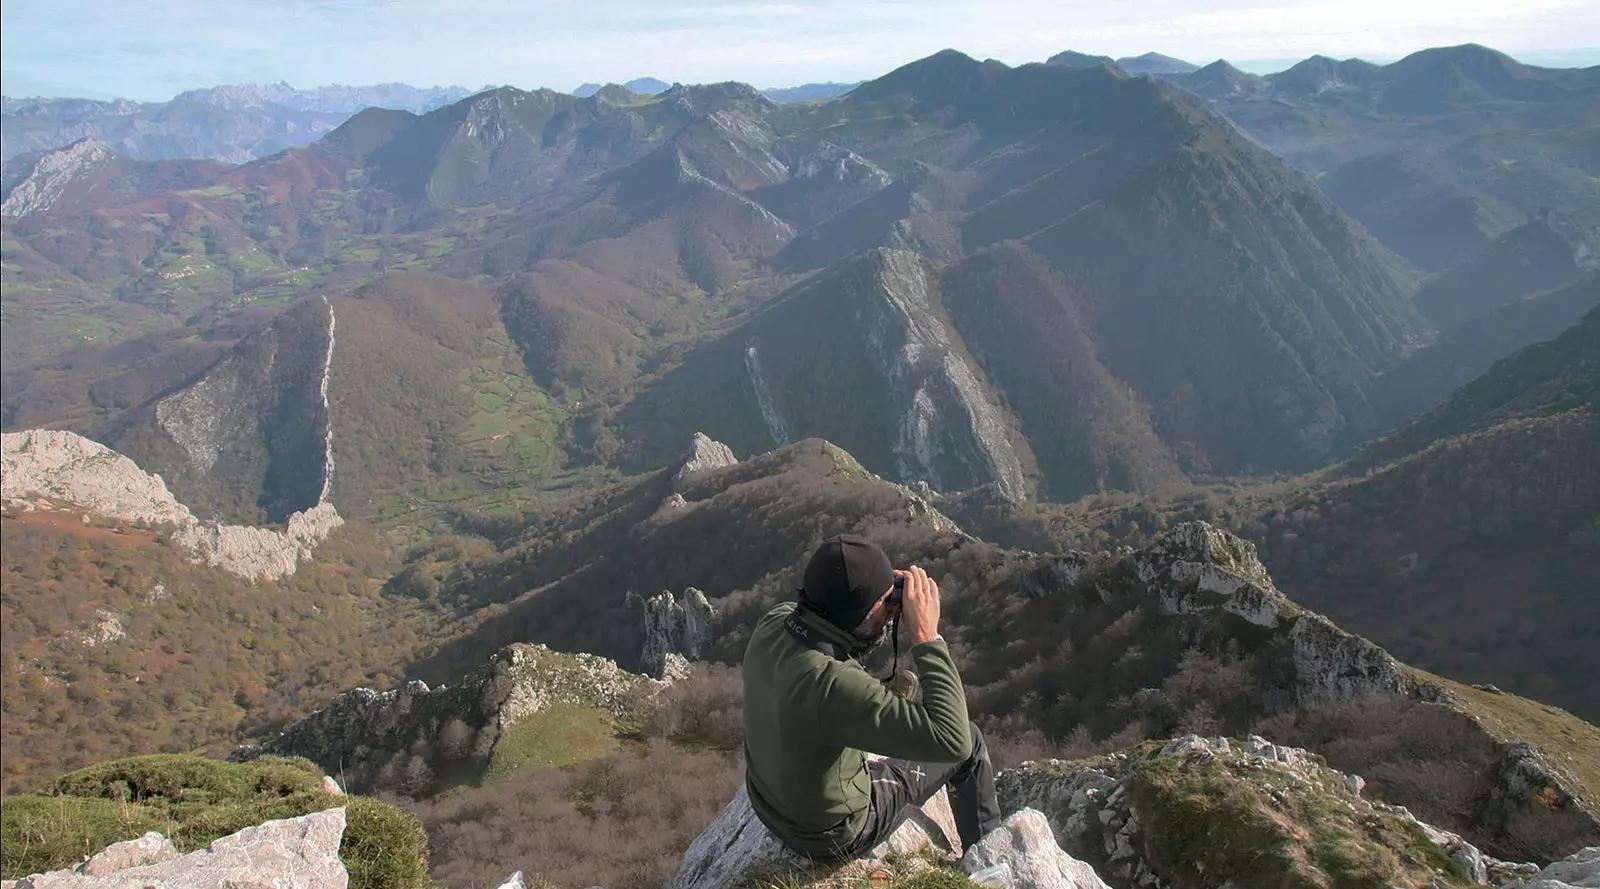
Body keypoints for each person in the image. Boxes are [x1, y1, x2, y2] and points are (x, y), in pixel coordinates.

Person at [741, 533, 1001, 860]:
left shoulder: (775, 621)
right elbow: (953, 740)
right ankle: (989, 861)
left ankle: (880, 714)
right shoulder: (833, 685)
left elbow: (836, 618)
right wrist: (927, 638)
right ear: (862, 613)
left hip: (766, 803)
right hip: (828, 835)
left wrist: (870, 591)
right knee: (973, 741)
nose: (890, 610)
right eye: (884, 604)